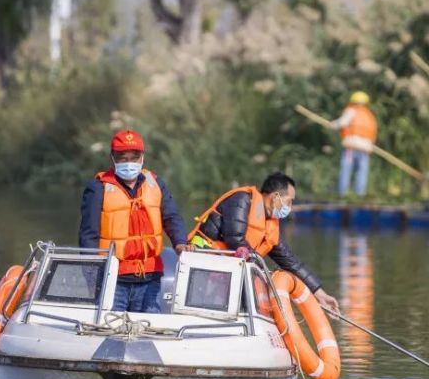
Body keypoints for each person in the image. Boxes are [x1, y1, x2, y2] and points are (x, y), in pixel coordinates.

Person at [188, 171, 340, 312]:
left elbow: (291, 262)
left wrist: (319, 293)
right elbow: (235, 238)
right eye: (289, 202)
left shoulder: (268, 223)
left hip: (226, 275)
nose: (290, 207)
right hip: (203, 267)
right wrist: (262, 269)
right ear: (275, 197)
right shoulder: (241, 200)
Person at [79, 129, 189, 312]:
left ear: (142, 157)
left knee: (150, 329)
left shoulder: (156, 184)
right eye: (123, 157)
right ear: (112, 158)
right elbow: (88, 235)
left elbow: (172, 217)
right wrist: (92, 278)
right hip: (113, 280)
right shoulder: (97, 188)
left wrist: (180, 242)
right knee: (109, 331)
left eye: (134, 157)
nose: (129, 162)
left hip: (151, 278)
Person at [329, 91, 378, 197]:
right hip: (365, 149)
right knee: (362, 173)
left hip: (351, 147)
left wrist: (332, 125)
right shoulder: (370, 116)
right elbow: (373, 135)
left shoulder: (351, 111)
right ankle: (360, 195)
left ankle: (342, 194)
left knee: (346, 170)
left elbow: (342, 123)